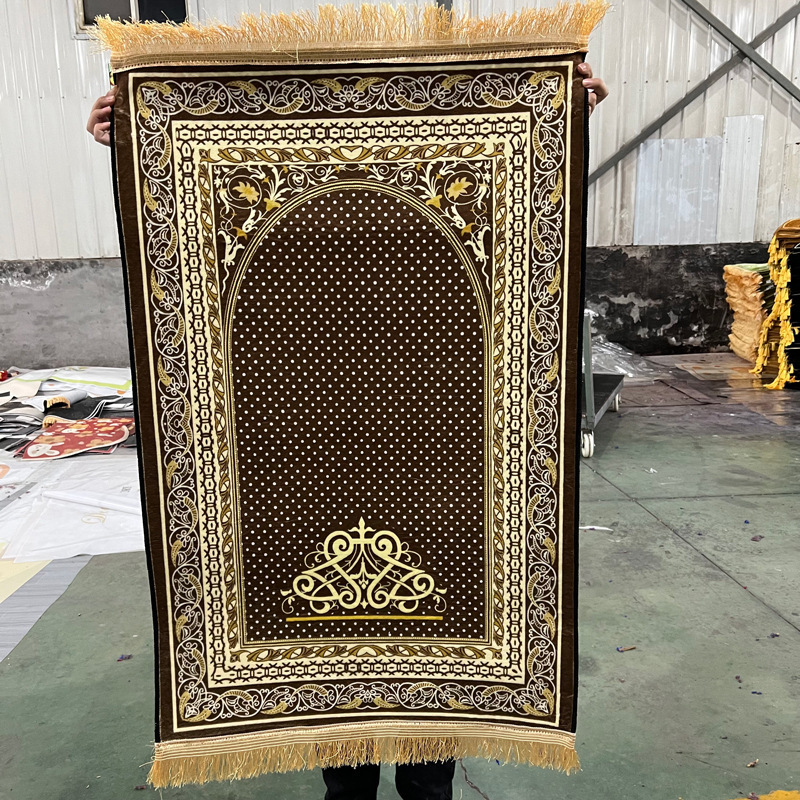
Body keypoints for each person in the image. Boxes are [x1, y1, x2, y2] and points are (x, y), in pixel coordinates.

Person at [87, 62, 607, 800]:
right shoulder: (280, 210)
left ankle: (423, 780)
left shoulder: (455, 177)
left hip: (437, 439)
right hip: (306, 438)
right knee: (331, 690)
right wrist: (131, 134)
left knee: (437, 672)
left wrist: (563, 110)